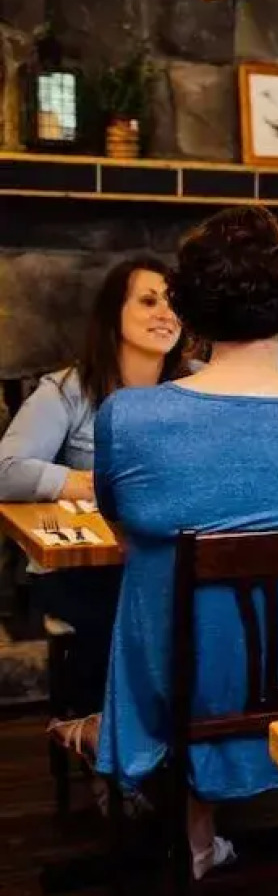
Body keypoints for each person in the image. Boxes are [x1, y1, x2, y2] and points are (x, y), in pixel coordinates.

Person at [94, 207, 278, 879]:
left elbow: (118, 521)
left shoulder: (130, 417)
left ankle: (188, 823)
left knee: (155, 583)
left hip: (178, 684)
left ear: (189, 309)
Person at [0, 257, 188, 713]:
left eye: (173, 303)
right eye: (148, 301)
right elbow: (4, 468)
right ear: (112, 314)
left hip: (168, 556)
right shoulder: (68, 389)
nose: (165, 313)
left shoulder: (198, 384)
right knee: (130, 609)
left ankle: (192, 742)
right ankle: (111, 743)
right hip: (83, 568)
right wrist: (80, 483)